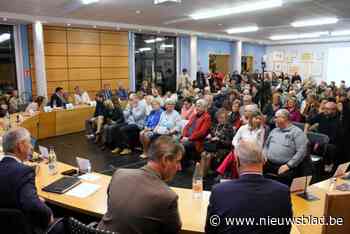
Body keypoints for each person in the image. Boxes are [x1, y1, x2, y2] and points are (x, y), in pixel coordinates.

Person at [98, 136, 183, 234]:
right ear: (166, 160)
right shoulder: (167, 197)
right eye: (178, 161)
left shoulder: (119, 174)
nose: (179, 167)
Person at [205, 139, 292, 234]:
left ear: (237, 162)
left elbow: (210, 230)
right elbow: (285, 229)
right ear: (264, 161)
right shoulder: (283, 192)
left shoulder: (219, 191)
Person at [0, 127, 63, 234]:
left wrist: (33, 197)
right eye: (29, 142)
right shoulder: (24, 172)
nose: (31, 147)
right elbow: (33, 206)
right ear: (20, 146)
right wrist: (49, 216)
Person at [263, 109, 308, 186]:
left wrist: (288, 165)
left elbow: (302, 151)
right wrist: (264, 155)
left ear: (284, 118)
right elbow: (266, 146)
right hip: (269, 163)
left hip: (286, 166)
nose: (274, 119)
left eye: (276, 117)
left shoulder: (297, 132)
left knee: (280, 182)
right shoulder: (274, 131)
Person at [181, 99, 211, 165]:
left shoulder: (207, 117)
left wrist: (189, 138)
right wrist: (184, 135)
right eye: (197, 106)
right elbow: (187, 126)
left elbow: (201, 132)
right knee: (176, 141)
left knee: (183, 145)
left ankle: (184, 164)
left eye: (199, 106)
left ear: (204, 108)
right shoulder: (194, 115)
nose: (197, 108)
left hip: (197, 140)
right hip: (187, 137)